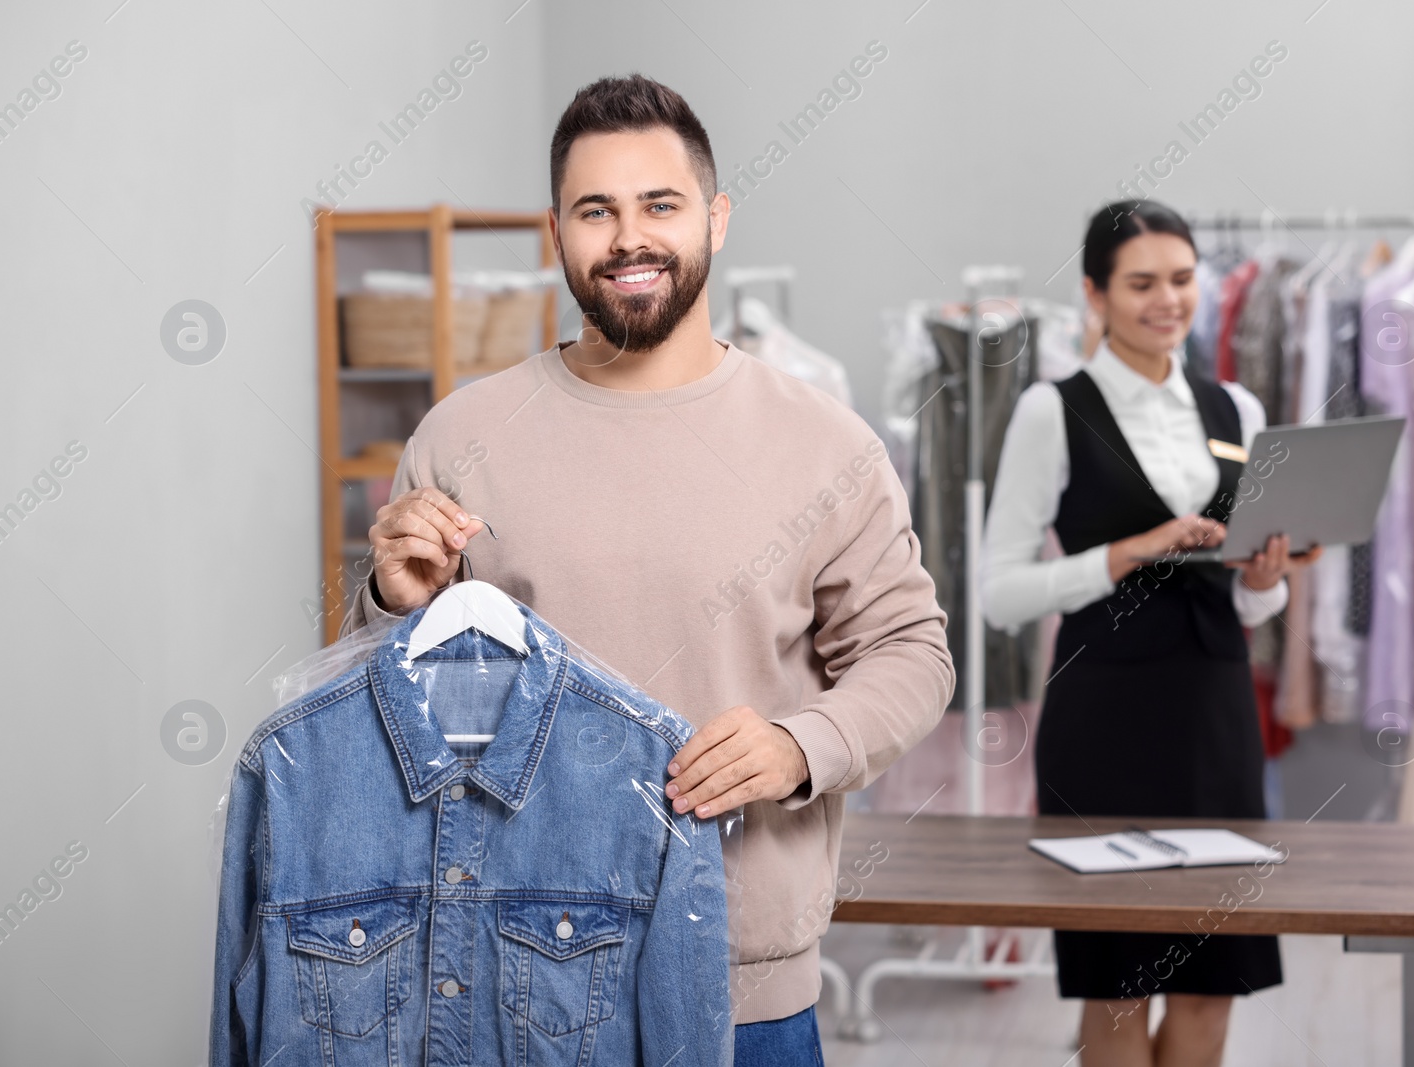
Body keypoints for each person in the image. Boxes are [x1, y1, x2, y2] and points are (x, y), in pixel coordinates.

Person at [341, 75, 954, 1064]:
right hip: (507, 979)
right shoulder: (460, 435)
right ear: (557, 232)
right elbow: (377, 715)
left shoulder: (825, 444)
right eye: (597, 211)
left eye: (659, 205)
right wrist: (386, 606)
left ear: (714, 217)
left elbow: (912, 653)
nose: (629, 239)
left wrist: (803, 743)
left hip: (741, 992)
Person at [980, 200, 1320, 1067]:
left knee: (1213, 990)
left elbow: (1250, 604)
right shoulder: (1051, 412)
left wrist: (1263, 582)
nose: (1167, 300)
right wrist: (1120, 555)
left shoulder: (1236, 407)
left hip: (1217, 717)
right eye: (1141, 283)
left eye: (1180, 279)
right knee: (1121, 992)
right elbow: (997, 594)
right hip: (1104, 722)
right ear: (1095, 293)